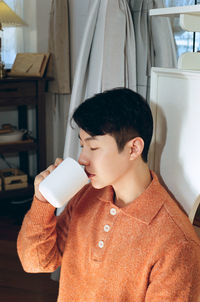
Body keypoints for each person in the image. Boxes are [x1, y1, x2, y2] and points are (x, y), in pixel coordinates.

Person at [17, 88, 200, 302]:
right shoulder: (86, 196)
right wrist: (42, 202)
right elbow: (36, 262)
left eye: (93, 147)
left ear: (133, 149)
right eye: (82, 145)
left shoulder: (177, 243)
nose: (82, 158)